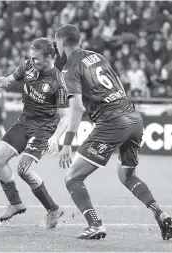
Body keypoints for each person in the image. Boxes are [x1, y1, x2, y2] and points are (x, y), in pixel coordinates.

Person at [56, 24, 172, 240]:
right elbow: (119, 85)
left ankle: (95, 224)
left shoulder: (69, 68)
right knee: (127, 175)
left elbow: (78, 107)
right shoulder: (97, 57)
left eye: (57, 44)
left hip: (112, 122)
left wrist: (66, 144)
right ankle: (161, 214)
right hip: (133, 117)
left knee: (72, 177)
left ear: (61, 42)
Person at [0, 38, 69, 228]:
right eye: (31, 58)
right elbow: (8, 82)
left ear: (49, 57)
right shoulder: (27, 67)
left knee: (23, 169)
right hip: (24, 122)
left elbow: (65, 116)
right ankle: (15, 203)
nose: (32, 62)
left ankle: (53, 209)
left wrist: (56, 138)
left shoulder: (58, 81)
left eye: (36, 59)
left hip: (43, 128)